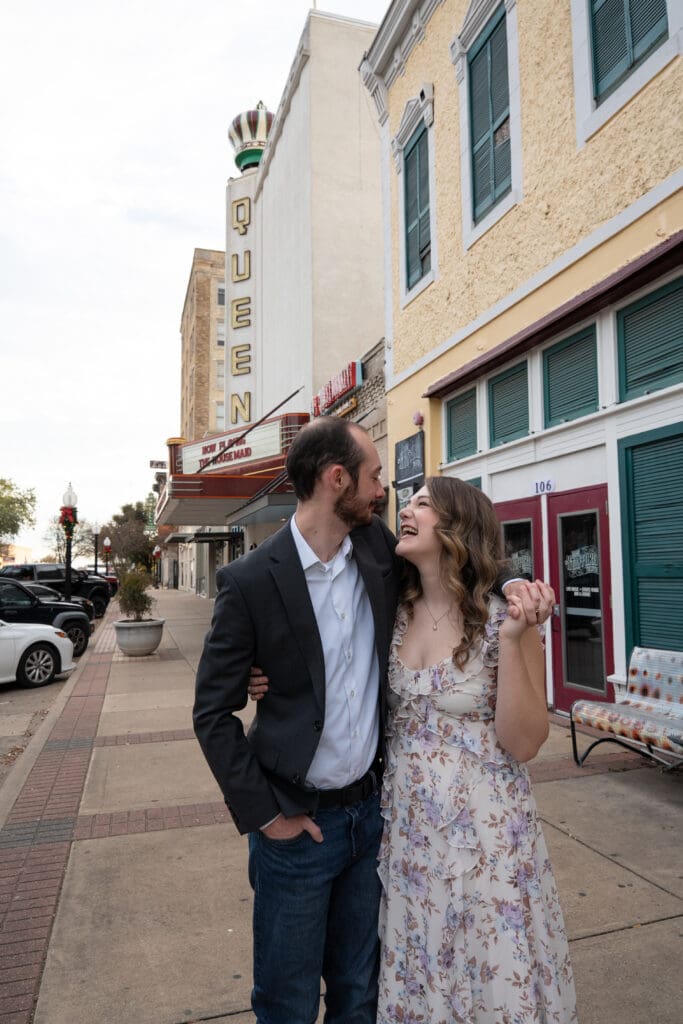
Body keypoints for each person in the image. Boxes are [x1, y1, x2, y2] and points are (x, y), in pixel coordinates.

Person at [194, 417, 553, 1024]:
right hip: (297, 825)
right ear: (338, 480)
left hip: (376, 821)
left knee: (363, 990)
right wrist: (266, 816)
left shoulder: (379, 556)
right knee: (286, 997)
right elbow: (211, 713)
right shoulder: (249, 581)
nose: (384, 490)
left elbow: (468, 563)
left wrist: (518, 587)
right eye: (375, 477)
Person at [377, 476, 577, 1022]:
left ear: (458, 529)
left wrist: (513, 641)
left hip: (487, 830)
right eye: (409, 502)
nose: (407, 511)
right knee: (423, 957)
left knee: (489, 961)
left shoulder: (503, 621)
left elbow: (525, 740)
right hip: (411, 832)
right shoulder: (390, 609)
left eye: (423, 504)